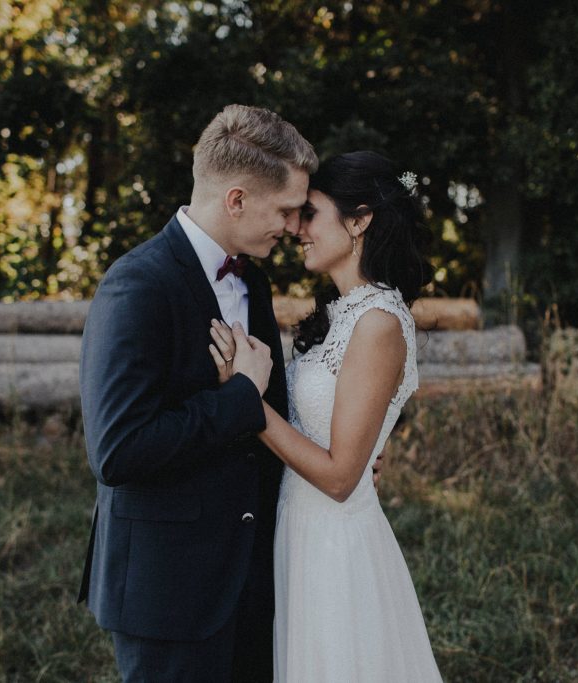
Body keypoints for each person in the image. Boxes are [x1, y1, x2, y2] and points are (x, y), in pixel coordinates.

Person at [77, 104, 318, 681]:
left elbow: (270, 416)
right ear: (236, 199)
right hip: (168, 591)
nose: (292, 226)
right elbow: (117, 451)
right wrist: (236, 398)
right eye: (285, 210)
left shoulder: (251, 280)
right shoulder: (137, 284)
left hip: (250, 578)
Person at [209, 151, 444, 681]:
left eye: (310, 213)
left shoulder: (379, 321)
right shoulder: (343, 314)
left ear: (360, 220)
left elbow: (340, 478)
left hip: (335, 549)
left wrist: (248, 400)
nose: (297, 229)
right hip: (299, 533)